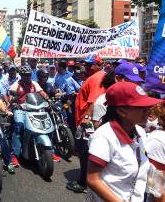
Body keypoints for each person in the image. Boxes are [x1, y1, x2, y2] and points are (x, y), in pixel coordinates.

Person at [86, 82, 163, 202]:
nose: (148, 110)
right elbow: (92, 179)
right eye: (141, 107)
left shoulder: (139, 132)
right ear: (122, 111)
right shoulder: (104, 137)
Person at [67, 53, 106, 193]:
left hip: (87, 122)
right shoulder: (96, 76)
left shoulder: (97, 77)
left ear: (98, 65)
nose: (86, 67)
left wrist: (87, 118)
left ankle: (83, 183)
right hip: (87, 120)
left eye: (90, 65)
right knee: (86, 151)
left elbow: (94, 101)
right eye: (86, 64)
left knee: (85, 152)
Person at [9, 65, 48, 167]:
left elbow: (41, 92)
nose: (28, 77)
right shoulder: (16, 85)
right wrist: (13, 100)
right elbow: (10, 97)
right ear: (21, 75)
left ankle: (49, 150)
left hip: (34, 109)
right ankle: (14, 155)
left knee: (45, 125)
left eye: (29, 75)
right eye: (25, 75)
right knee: (19, 127)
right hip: (20, 110)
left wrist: (47, 99)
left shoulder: (34, 84)